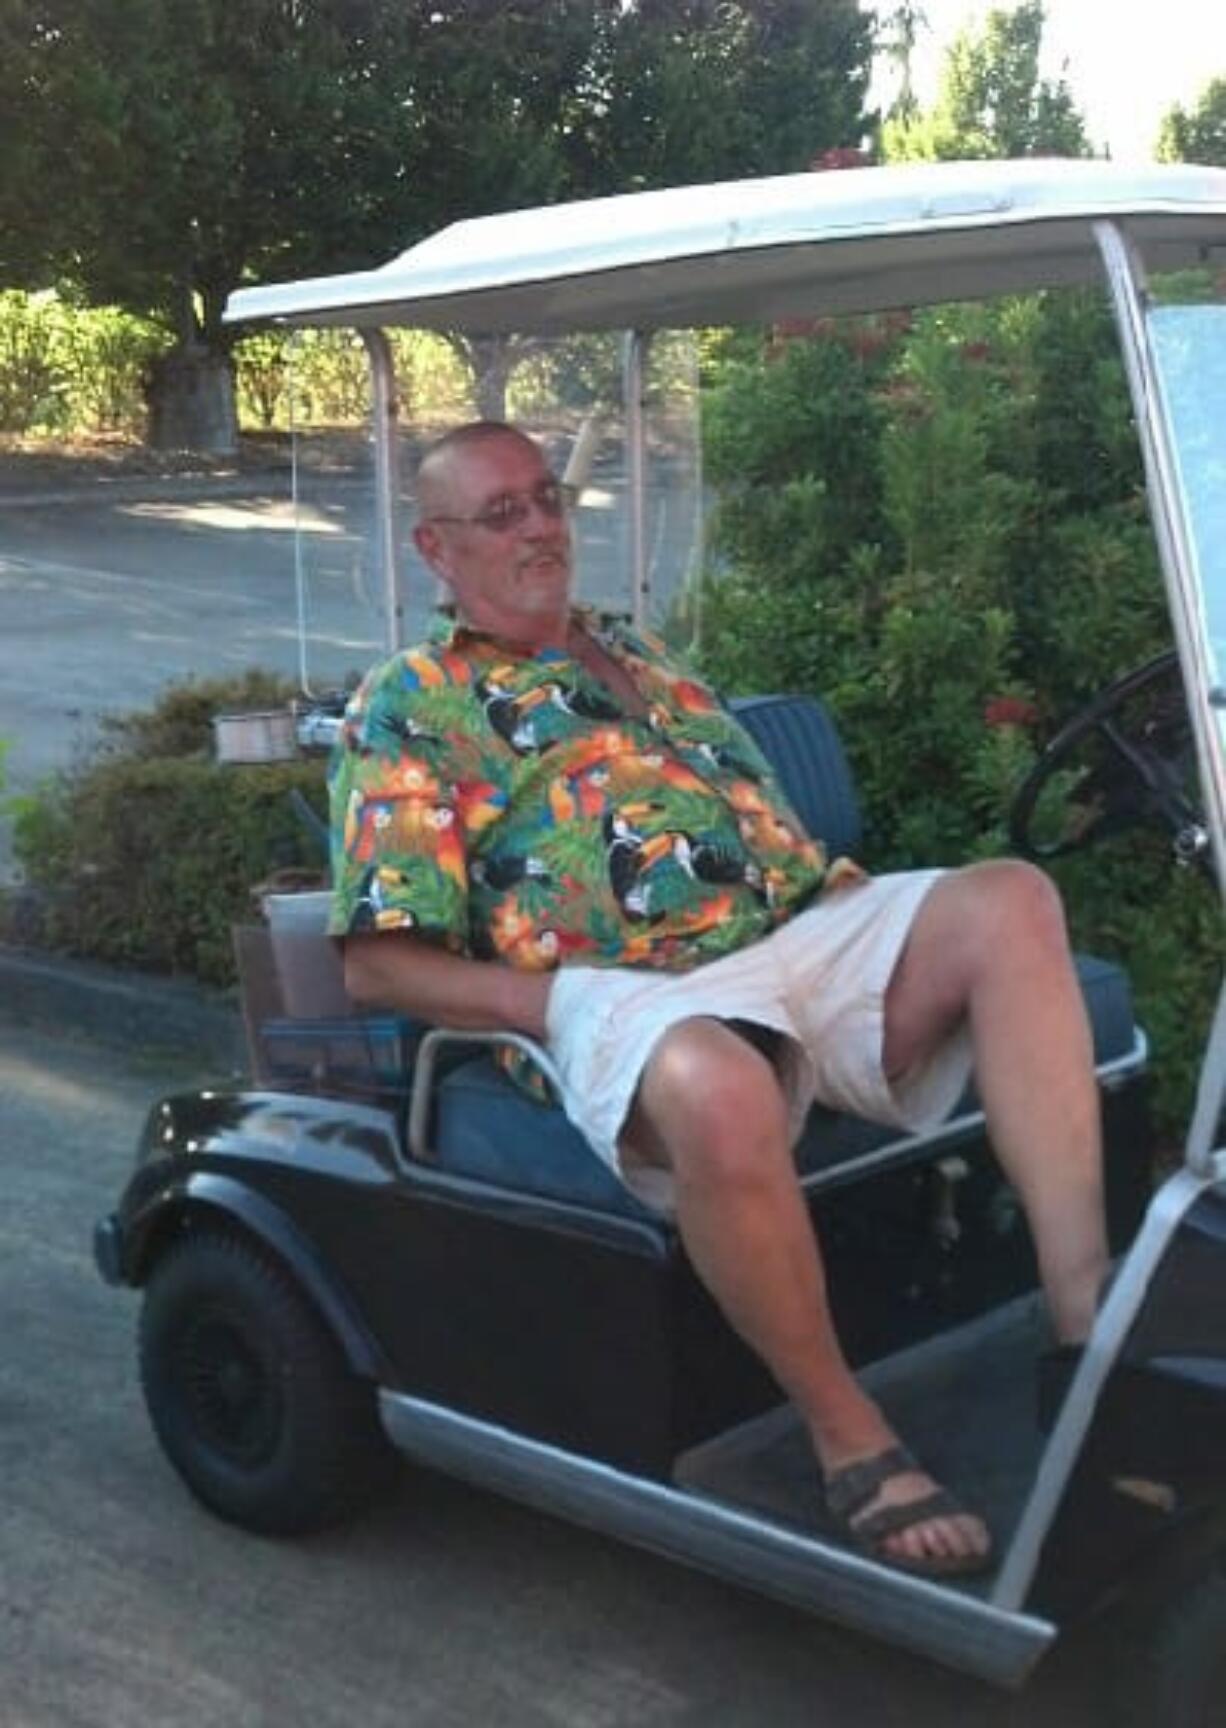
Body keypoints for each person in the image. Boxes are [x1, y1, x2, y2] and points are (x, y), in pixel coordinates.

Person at [328, 420, 1108, 1577]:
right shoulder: (410, 704)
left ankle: (1083, 1333)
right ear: (433, 550)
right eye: (503, 514)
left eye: (546, 499)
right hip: (616, 992)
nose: (540, 525)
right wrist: (553, 1004)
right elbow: (376, 965)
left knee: (1008, 899)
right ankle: (848, 1436)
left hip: (791, 937)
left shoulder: (635, 652)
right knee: (712, 1080)